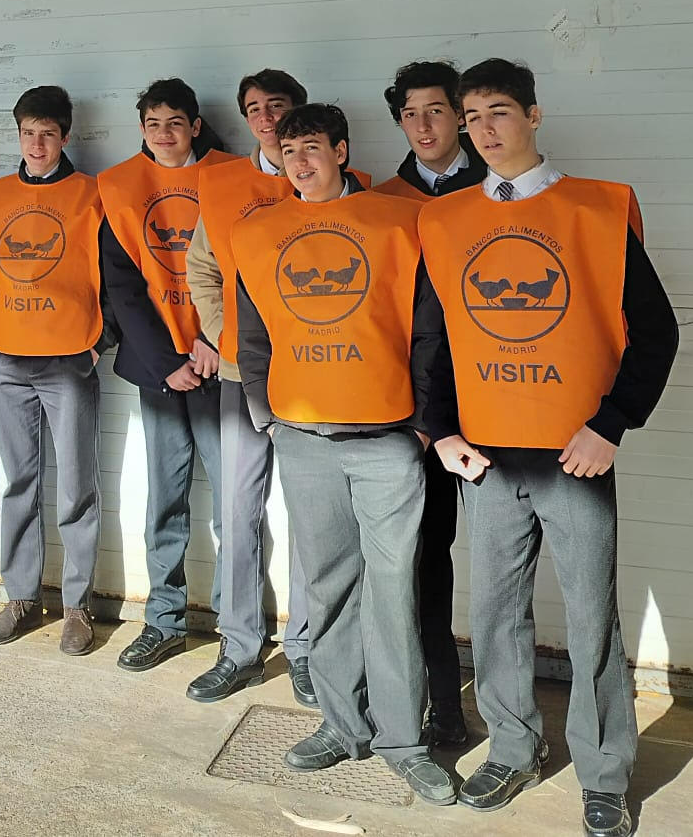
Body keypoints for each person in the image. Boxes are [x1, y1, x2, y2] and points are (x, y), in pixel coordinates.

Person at [420, 58, 679, 837]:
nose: (485, 129)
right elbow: (434, 340)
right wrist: (441, 432)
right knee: (496, 612)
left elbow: (656, 332)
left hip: (573, 455)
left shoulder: (599, 210)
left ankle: (603, 774)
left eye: (499, 111)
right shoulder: (445, 219)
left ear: (535, 114)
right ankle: (512, 746)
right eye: (473, 119)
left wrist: (611, 424)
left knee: (593, 618)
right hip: (489, 460)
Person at [230, 102, 457, 806]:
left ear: (341, 150)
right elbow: (254, 334)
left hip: (386, 440)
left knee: (392, 594)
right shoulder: (258, 234)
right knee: (326, 587)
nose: (300, 162)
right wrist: (267, 418)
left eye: (312, 149)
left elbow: (429, 330)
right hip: (304, 439)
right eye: (288, 150)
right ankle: (341, 724)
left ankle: (403, 742)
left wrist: (420, 426)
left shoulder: (397, 221)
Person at [182, 68, 333, 705]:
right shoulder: (218, 185)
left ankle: (305, 648)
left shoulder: (333, 184)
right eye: (254, 108)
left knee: (308, 515)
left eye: (278, 106)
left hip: (315, 378)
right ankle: (239, 645)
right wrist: (234, 342)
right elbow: (202, 271)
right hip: (244, 378)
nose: (266, 117)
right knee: (237, 509)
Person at [0, 85, 107, 656]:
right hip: (6, 359)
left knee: (77, 486)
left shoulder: (92, 195)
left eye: (49, 133)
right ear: (17, 135)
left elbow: (116, 273)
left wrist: (101, 344)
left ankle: (77, 606)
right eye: (29, 133)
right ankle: (19, 596)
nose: (39, 143)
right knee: (18, 481)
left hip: (69, 360)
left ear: (66, 136)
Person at [98, 79, 234, 673]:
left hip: (221, 362)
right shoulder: (121, 186)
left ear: (196, 125)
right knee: (165, 498)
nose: (164, 133)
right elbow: (121, 288)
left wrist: (210, 341)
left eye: (175, 122)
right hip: (161, 370)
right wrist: (168, 362)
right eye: (153, 123)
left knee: (236, 504)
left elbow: (248, 267)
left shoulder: (231, 178)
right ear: (142, 129)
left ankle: (239, 629)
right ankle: (164, 622)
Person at [373, 60, 488, 749]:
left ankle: (510, 708)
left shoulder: (502, 189)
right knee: (423, 561)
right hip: (420, 417)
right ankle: (441, 701)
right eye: (411, 114)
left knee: (504, 565)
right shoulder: (381, 201)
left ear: (461, 116)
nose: (424, 124)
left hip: (504, 402)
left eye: (437, 110)